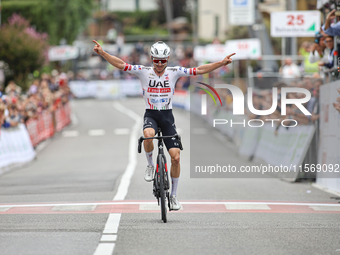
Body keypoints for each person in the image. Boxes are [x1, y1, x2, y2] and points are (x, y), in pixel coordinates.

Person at [93, 40, 235, 210]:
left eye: (163, 61)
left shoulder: (174, 71)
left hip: (167, 117)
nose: (159, 64)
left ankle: (174, 196)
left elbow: (199, 70)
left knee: (176, 157)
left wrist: (221, 63)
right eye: (156, 60)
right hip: (151, 114)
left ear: (168, 59)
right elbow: (121, 64)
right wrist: (103, 53)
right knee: (148, 135)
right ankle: (151, 166)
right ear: (152, 58)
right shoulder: (143, 71)